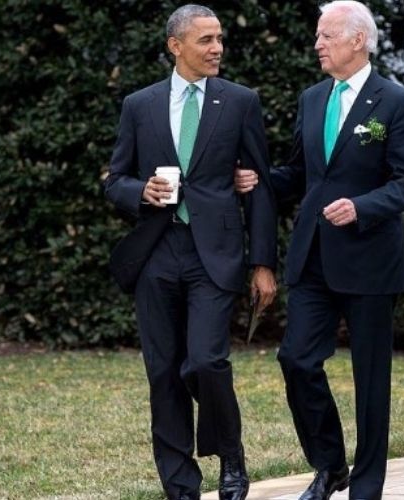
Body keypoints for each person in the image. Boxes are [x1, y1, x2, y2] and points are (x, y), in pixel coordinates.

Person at [234, 1, 404, 498]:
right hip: (314, 257)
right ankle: (329, 466)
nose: (317, 44)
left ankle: (366, 487)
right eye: (319, 36)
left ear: (358, 40)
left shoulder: (395, 102)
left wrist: (361, 207)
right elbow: (302, 174)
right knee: (296, 359)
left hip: (370, 261)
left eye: (326, 35)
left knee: (371, 383)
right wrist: (259, 181)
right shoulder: (313, 98)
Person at [104, 5, 278, 499]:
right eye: (205, 40)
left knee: (205, 362)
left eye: (219, 38)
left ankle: (231, 456)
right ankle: (180, 485)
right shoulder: (139, 105)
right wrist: (140, 192)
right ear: (175, 46)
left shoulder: (241, 101)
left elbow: (260, 186)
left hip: (215, 254)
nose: (217, 48)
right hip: (157, 253)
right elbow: (115, 179)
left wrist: (263, 262)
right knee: (163, 372)